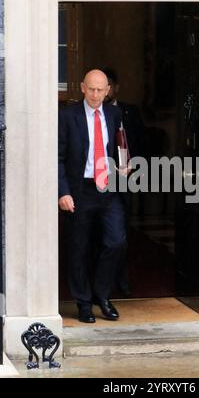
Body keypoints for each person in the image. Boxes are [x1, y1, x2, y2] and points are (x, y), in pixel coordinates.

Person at [58, 69, 127, 323]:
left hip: (108, 187)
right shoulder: (67, 115)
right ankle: (83, 302)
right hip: (80, 189)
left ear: (108, 90)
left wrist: (124, 164)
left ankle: (102, 294)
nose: (96, 94)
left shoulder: (114, 113)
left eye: (101, 90)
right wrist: (62, 192)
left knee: (116, 241)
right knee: (79, 248)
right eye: (92, 89)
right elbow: (58, 157)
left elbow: (121, 145)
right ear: (83, 88)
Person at [102, 67, 145, 298]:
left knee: (121, 234)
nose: (104, 90)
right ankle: (101, 284)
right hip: (97, 181)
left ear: (115, 88)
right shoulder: (90, 112)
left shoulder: (130, 112)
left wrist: (134, 169)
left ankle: (122, 279)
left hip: (126, 180)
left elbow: (140, 142)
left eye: (108, 85)